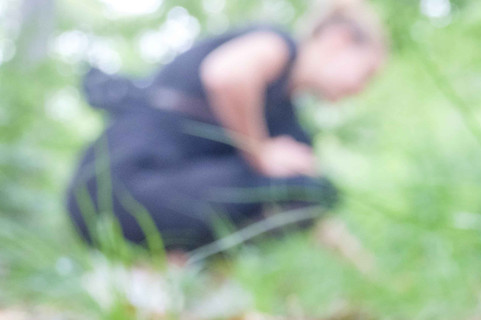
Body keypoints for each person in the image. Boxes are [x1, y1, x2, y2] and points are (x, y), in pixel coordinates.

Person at [65, 0, 386, 252]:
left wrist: (375, 276)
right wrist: (259, 153)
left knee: (312, 190)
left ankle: (179, 273)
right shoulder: (278, 47)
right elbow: (227, 75)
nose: (361, 89)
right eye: (367, 72)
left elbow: (310, 209)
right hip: (116, 185)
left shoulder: (286, 125)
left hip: (162, 194)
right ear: (338, 40)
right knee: (308, 187)